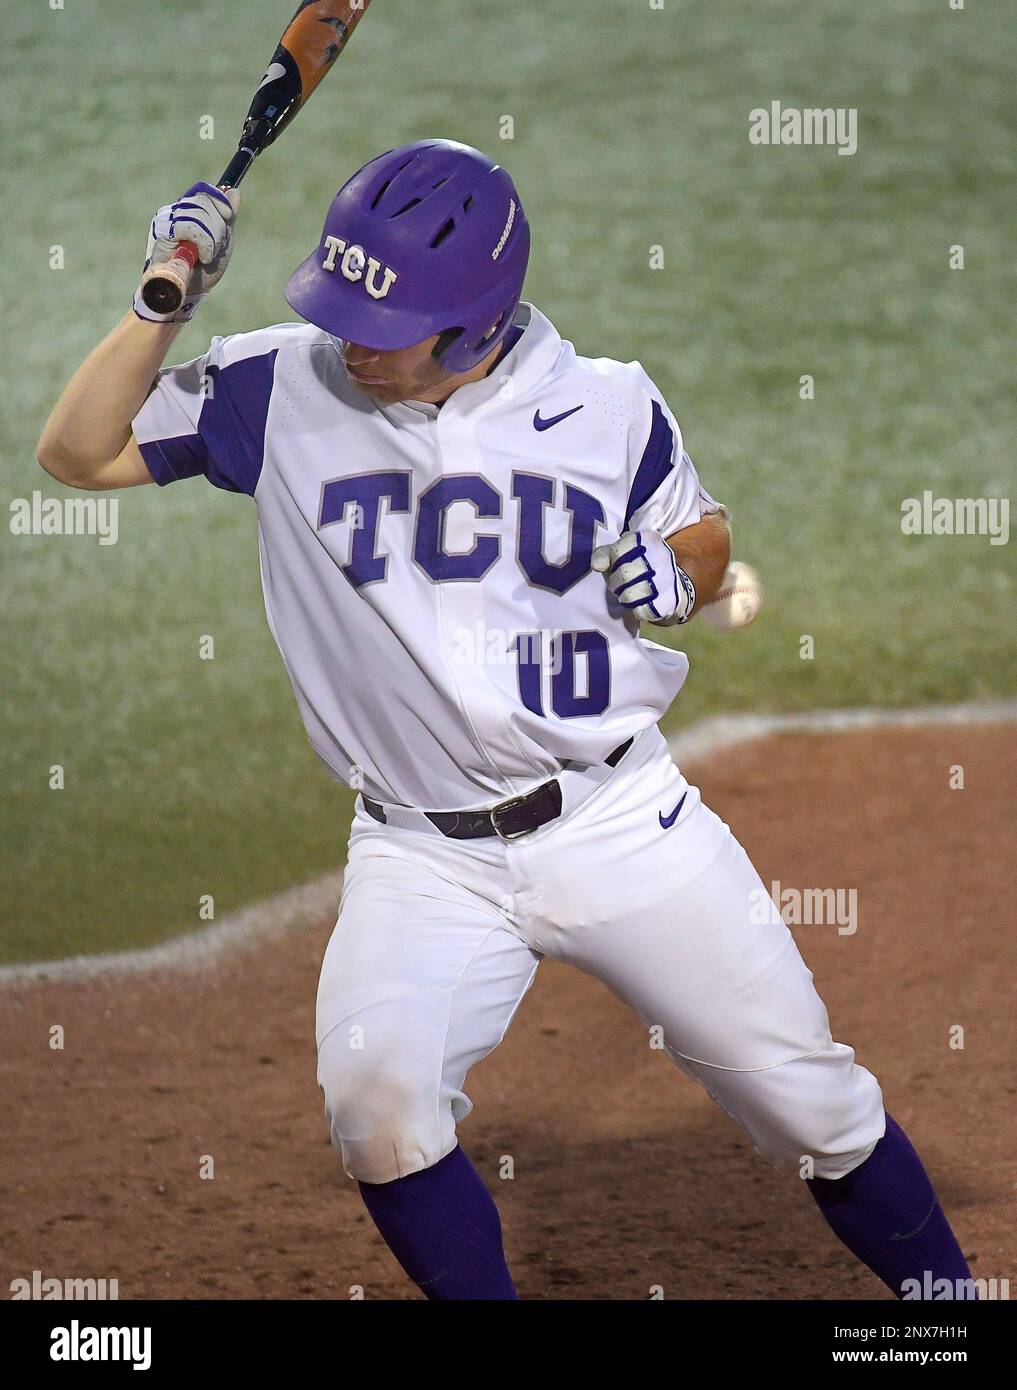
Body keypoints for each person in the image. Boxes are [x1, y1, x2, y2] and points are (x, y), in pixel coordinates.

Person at [38, 139, 973, 1301]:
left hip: (618, 823)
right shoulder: (278, 387)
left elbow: (704, 530)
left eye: (388, 322)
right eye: (342, 308)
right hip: (421, 855)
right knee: (376, 1107)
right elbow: (75, 453)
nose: (354, 341)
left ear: (477, 323)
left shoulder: (609, 405)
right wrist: (159, 302)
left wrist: (680, 573)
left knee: (813, 1103)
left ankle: (949, 1311)